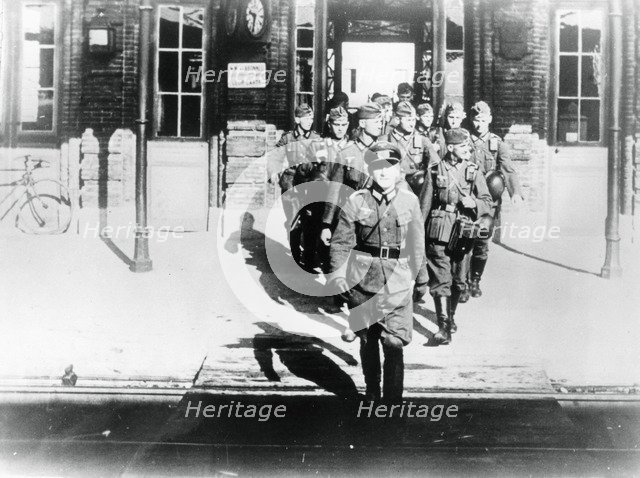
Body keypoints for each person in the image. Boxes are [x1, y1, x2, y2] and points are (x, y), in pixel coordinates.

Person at [327, 141, 428, 402]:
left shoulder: (409, 201)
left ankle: (393, 402)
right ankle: (372, 389)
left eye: (390, 166)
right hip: (363, 281)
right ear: (370, 170)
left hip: (398, 279)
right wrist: (338, 275)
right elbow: (341, 242)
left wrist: (422, 280)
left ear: (398, 170)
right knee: (369, 340)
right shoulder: (356, 200)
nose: (384, 172)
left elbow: (417, 243)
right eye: (378, 167)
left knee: (394, 342)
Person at [419, 128, 492, 345]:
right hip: (439, 228)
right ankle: (443, 328)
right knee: (441, 279)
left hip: (463, 231)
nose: (468, 149)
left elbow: (487, 201)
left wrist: (475, 203)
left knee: (459, 282)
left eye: (468, 146)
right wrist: (418, 235)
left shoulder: (473, 170)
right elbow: (424, 205)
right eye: (462, 146)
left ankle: (450, 318)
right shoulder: (434, 170)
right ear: (450, 148)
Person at [467, 101, 524, 298]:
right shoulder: (465, 141)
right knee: (464, 239)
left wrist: (515, 192)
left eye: (483, 120)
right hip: (468, 198)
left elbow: (508, 169)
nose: (479, 124)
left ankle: (475, 280)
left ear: (489, 120)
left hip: (489, 202)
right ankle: (462, 282)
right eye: (476, 120)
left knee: (482, 241)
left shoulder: (497, 143)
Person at [293, 106, 351, 272]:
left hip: (343, 202)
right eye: (336, 124)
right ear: (329, 124)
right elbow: (301, 174)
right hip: (320, 201)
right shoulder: (318, 145)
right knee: (315, 234)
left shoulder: (352, 146)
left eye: (343, 124)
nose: (340, 128)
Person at [320, 102, 384, 247]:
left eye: (381, 121)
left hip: (375, 219)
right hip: (349, 219)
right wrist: (326, 225)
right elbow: (334, 190)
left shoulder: (385, 152)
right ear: (362, 123)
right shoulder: (347, 153)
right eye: (376, 122)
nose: (380, 125)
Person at [380, 101, 439, 195]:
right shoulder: (385, 140)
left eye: (413, 120)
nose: (412, 124)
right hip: (391, 190)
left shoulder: (423, 140)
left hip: (416, 191)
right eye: (408, 120)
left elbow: (434, 169)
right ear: (398, 120)